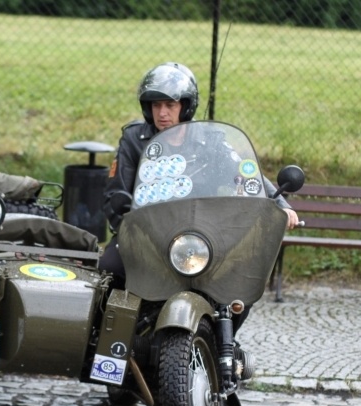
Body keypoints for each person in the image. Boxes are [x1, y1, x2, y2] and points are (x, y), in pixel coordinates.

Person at [100, 61, 299, 376]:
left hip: (198, 237)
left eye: (170, 104)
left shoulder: (209, 142)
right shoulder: (133, 140)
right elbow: (115, 195)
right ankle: (112, 353)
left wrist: (280, 203)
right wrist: (128, 228)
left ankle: (223, 344)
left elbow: (243, 171)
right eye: (155, 105)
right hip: (146, 238)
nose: (162, 112)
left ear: (186, 106)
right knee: (108, 269)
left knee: (239, 280)